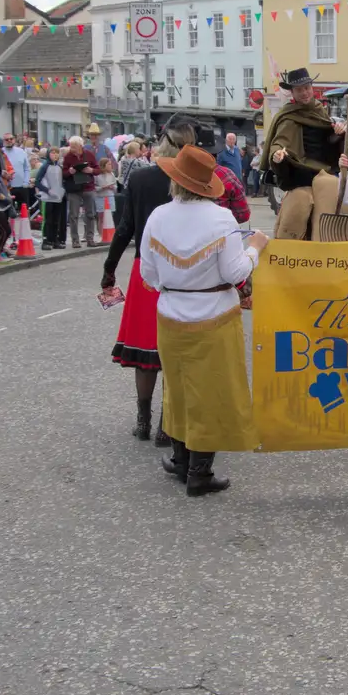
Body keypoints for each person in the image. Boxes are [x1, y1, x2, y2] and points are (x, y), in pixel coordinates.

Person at [138, 145, 267, 496]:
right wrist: (255, 247)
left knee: (178, 389)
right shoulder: (220, 219)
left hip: (170, 313)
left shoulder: (158, 217)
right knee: (210, 392)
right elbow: (235, 271)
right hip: (213, 313)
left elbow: (147, 273)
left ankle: (181, 460)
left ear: (176, 180)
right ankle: (199, 470)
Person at [104, 120, 197, 444]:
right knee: (175, 350)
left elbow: (125, 227)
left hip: (146, 269)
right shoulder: (192, 180)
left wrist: (109, 268)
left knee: (146, 350)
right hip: (183, 267)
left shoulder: (141, 178)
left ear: (161, 143)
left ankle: (143, 421)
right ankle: (166, 426)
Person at [261, 67, 345, 239]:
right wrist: (277, 155)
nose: (305, 93)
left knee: (330, 217)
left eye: (307, 88)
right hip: (301, 173)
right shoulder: (288, 116)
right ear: (292, 92)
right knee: (298, 215)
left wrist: (336, 135)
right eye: (299, 90)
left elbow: (326, 143)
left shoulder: (320, 110)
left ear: (311, 87)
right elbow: (280, 142)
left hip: (324, 173)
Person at [60, 136, 98, 248]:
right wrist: (70, 172)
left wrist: (91, 170)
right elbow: (64, 173)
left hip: (88, 187)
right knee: (73, 215)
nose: (72, 149)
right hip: (74, 188)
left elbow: (97, 169)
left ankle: (90, 238)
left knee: (90, 214)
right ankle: (75, 240)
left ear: (81, 146)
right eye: (71, 147)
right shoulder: (68, 157)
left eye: (74, 147)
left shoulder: (89, 155)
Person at [36, 147, 66, 249]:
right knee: (47, 220)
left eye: (57, 153)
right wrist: (47, 190)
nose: (55, 155)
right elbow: (37, 181)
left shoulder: (59, 167)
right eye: (52, 153)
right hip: (47, 197)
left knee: (56, 219)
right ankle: (46, 240)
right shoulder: (45, 166)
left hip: (57, 197)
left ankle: (54, 239)